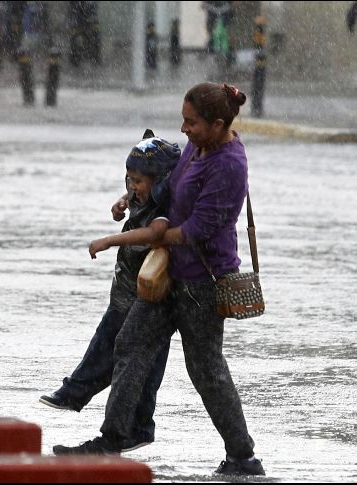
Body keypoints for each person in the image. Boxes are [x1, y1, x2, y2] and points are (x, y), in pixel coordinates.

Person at [53, 83, 265, 477]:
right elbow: (167, 189)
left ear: (218, 124)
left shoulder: (229, 165)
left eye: (192, 123)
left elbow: (195, 230)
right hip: (167, 275)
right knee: (130, 343)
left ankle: (243, 457)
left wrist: (135, 235)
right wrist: (131, 199)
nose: (184, 129)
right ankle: (113, 439)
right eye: (183, 120)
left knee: (207, 372)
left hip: (203, 282)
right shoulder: (197, 147)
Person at [40, 131, 181, 452]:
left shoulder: (164, 208)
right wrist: (122, 203)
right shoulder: (141, 196)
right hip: (125, 290)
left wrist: (109, 240)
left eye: (140, 182)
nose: (133, 187)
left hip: (146, 297)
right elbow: (132, 200)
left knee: (133, 358)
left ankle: (120, 419)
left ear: (160, 182)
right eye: (129, 180)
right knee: (113, 346)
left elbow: (155, 232)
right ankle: (81, 394)